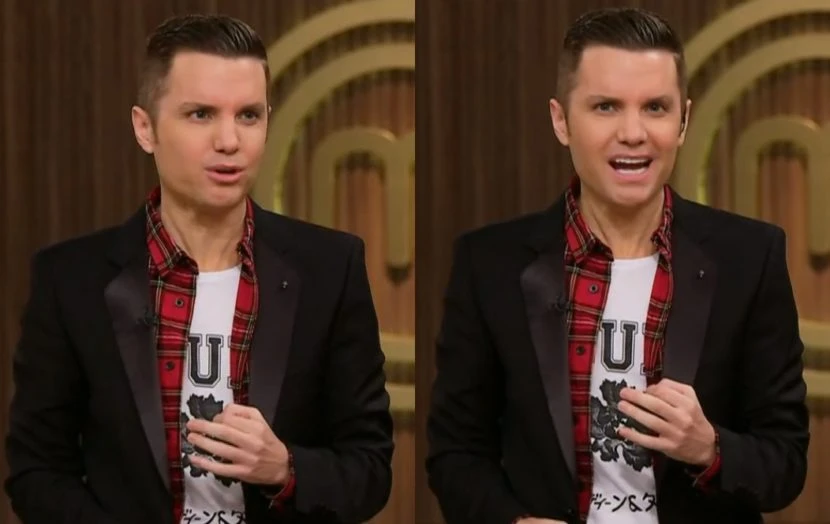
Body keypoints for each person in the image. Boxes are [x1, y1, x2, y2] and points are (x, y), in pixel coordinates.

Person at [425, 7, 809, 524]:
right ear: (561, 120)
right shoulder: (489, 263)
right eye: (605, 107)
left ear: (683, 120)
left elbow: (785, 463)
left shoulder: (749, 257)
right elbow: (455, 454)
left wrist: (708, 447)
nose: (633, 133)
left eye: (655, 108)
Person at [4, 14, 393, 524]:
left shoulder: (330, 268)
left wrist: (285, 468)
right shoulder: (71, 280)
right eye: (201, 114)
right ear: (145, 128)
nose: (229, 141)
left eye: (248, 115)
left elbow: (370, 470)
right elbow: (36, 473)